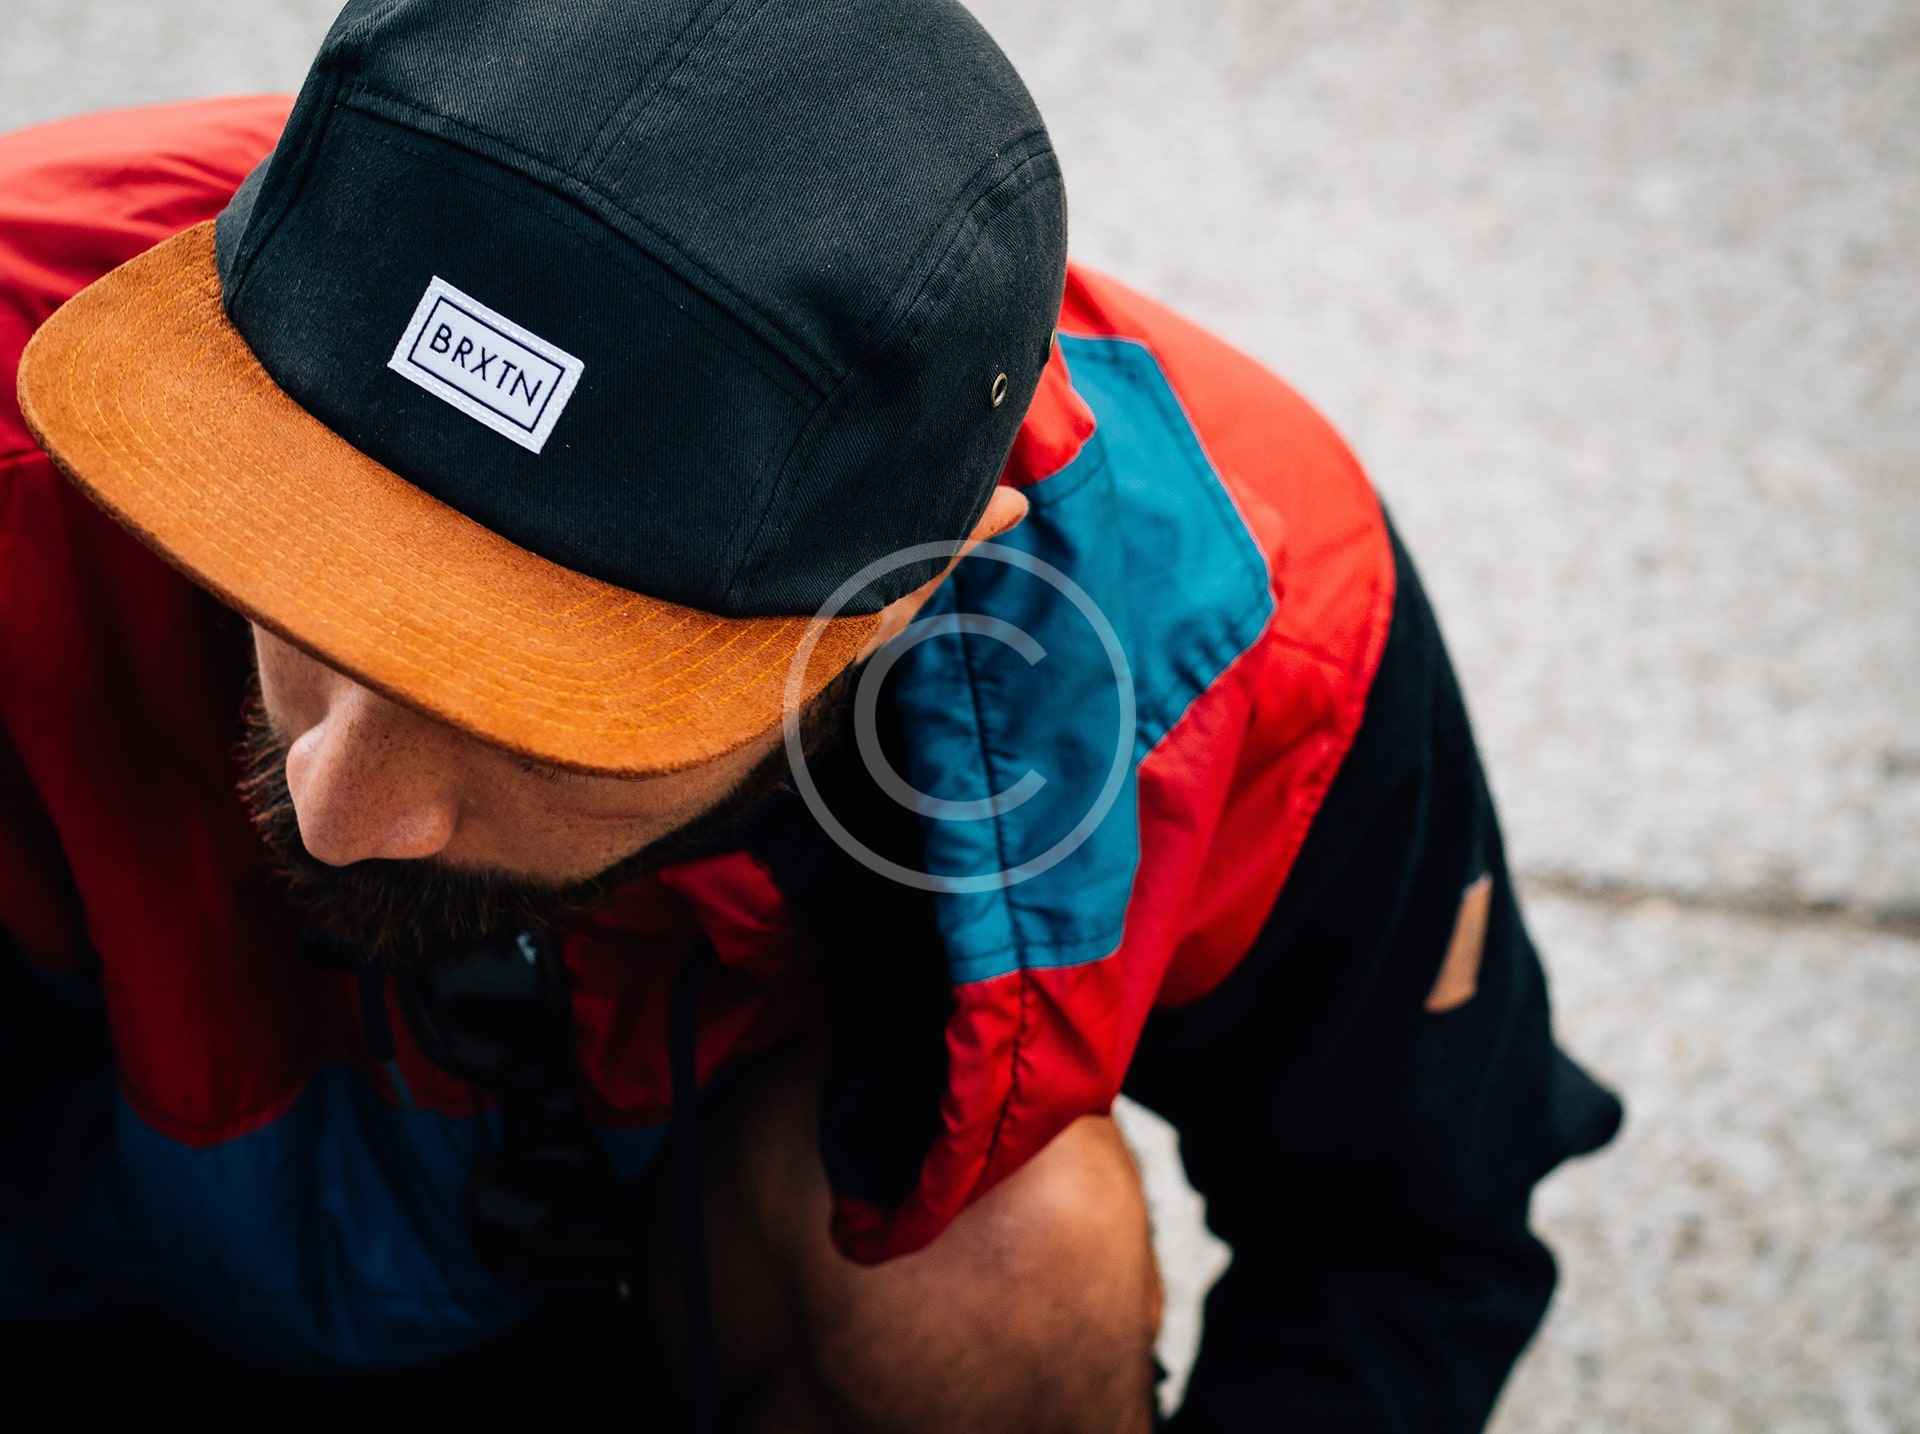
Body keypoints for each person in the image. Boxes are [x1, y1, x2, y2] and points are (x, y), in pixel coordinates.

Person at [0, 1, 1624, 1428]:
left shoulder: (1247, 616)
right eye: (296, 569)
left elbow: (1403, 1239)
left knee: (1006, 1284)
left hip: (713, 1294)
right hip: (81, 1285)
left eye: (534, 698)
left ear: (916, 592)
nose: (338, 799)